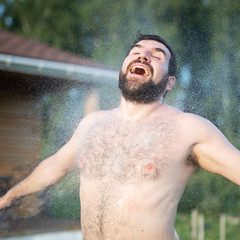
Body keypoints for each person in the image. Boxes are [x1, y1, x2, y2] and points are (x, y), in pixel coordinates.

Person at [0, 33, 240, 240]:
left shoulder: (188, 129)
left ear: (169, 82)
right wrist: (10, 195)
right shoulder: (92, 124)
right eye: (136, 51)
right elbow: (53, 167)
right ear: (119, 74)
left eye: (157, 55)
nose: (143, 55)